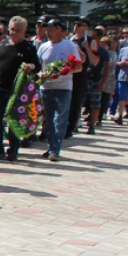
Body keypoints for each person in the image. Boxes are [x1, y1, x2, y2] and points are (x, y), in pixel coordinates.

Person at [0, 16, 40, 162]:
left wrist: (31, 67)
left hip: (18, 91)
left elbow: (37, 66)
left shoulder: (28, 47)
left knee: (14, 120)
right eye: (12, 29)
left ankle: (13, 149)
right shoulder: (3, 45)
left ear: (24, 31)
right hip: (0, 87)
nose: (14, 32)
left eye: (18, 30)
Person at [37, 19, 82, 161]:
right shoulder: (43, 47)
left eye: (51, 29)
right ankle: (51, 146)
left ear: (59, 30)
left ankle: (55, 150)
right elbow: (38, 67)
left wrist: (65, 71)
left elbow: (78, 66)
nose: (48, 32)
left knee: (59, 119)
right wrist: (40, 75)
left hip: (63, 88)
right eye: (47, 29)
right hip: (46, 87)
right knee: (47, 120)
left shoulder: (69, 46)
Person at [67, 16, 99, 137]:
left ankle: (71, 128)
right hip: (69, 74)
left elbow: (95, 61)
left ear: (86, 27)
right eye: (75, 24)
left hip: (81, 75)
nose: (76, 26)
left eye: (80, 24)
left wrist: (86, 48)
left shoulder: (91, 41)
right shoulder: (70, 39)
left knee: (76, 102)